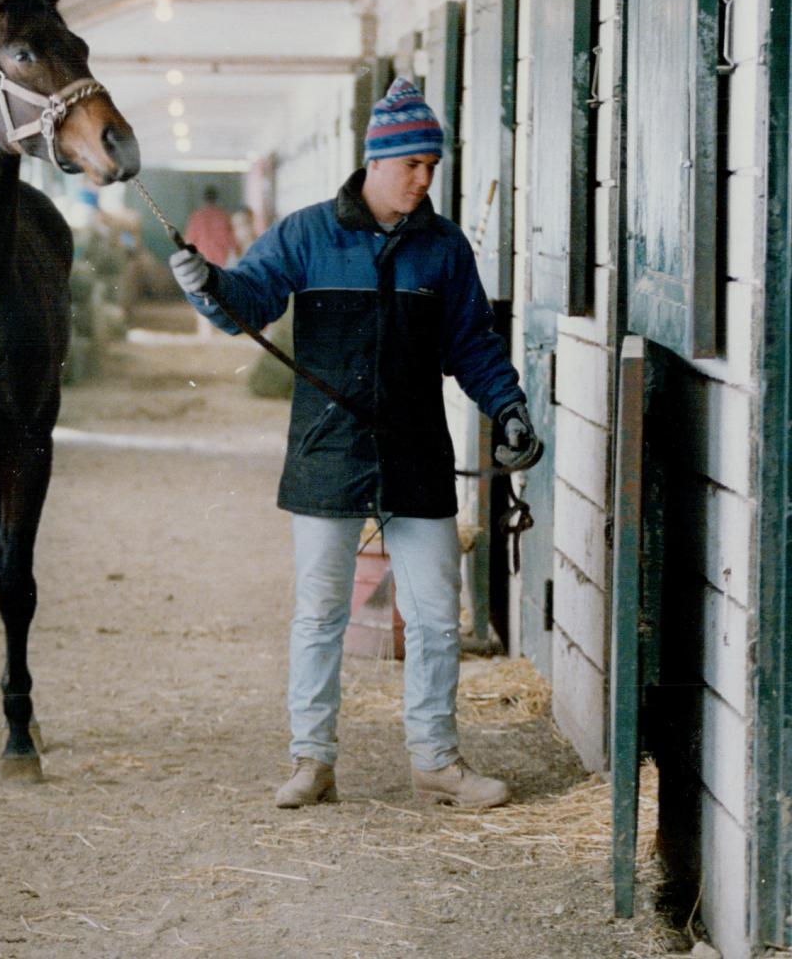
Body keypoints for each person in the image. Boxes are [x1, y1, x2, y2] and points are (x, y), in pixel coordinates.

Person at [168, 78, 541, 810]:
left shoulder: (443, 248)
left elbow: (473, 345)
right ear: (377, 161)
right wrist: (204, 281)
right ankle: (313, 761)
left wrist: (511, 407)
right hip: (327, 450)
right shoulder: (307, 234)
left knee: (435, 614)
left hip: (415, 453)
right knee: (319, 613)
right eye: (414, 166)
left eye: (433, 167)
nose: (425, 179)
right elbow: (245, 302)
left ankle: (435, 760)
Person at [183, 187, 242, 336]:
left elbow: (188, 241)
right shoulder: (223, 216)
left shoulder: (197, 216)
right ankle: (221, 326)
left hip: (201, 260)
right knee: (219, 294)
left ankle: (205, 330)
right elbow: (233, 241)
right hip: (220, 261)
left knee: (201, 293)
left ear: (204, 199)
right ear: (216, 198)